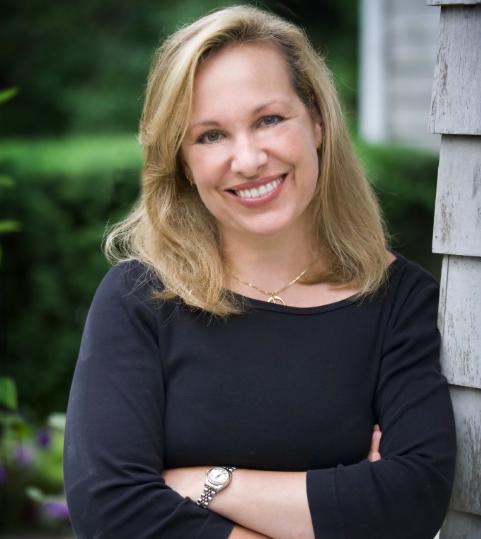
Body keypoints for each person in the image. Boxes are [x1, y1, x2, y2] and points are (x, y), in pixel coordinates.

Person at [63, 5, 456, 539]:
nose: (247, 160)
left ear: (316, 121)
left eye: (269, 119)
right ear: (182, 160)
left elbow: (412, 500)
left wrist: (206, 484)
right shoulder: (140, 298)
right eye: (210, 136)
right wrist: (336, 506)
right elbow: (110, 512)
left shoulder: (396, 299)